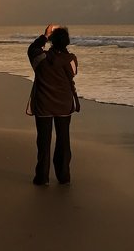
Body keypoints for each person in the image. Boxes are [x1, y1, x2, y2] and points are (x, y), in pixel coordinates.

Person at [27, 23, 79, 186]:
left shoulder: (40, 58)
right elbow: (74, 72)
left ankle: (42, 177)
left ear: (51, 41)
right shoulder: (71, 59)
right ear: (67, 42)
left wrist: (45, 35)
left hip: (43, 105)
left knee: (43, 141)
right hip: (63, 104)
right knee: (63, 140)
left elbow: (32, 49)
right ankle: (63, 176)